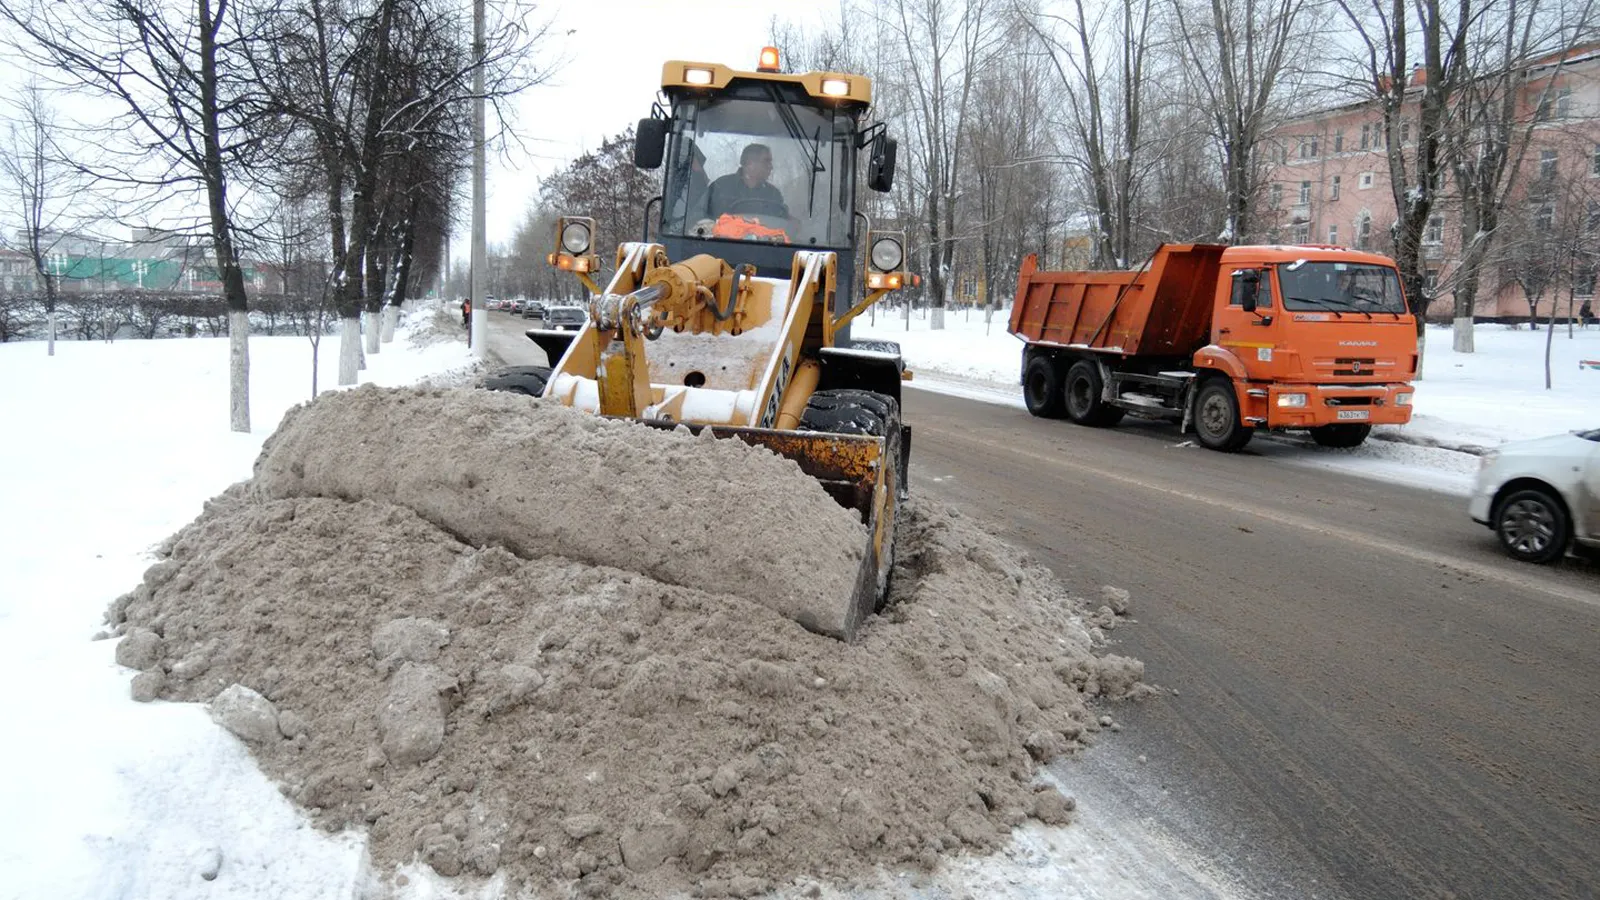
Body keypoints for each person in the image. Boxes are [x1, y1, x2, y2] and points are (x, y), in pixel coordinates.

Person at [703, 143, 789, 221]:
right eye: (766, 161)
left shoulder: (773, 194)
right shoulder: (720, 187)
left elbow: (782, 222)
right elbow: (698, 217)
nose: (771, 167)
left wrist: (792, 222)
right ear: (750, 164)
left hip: (764, 238)